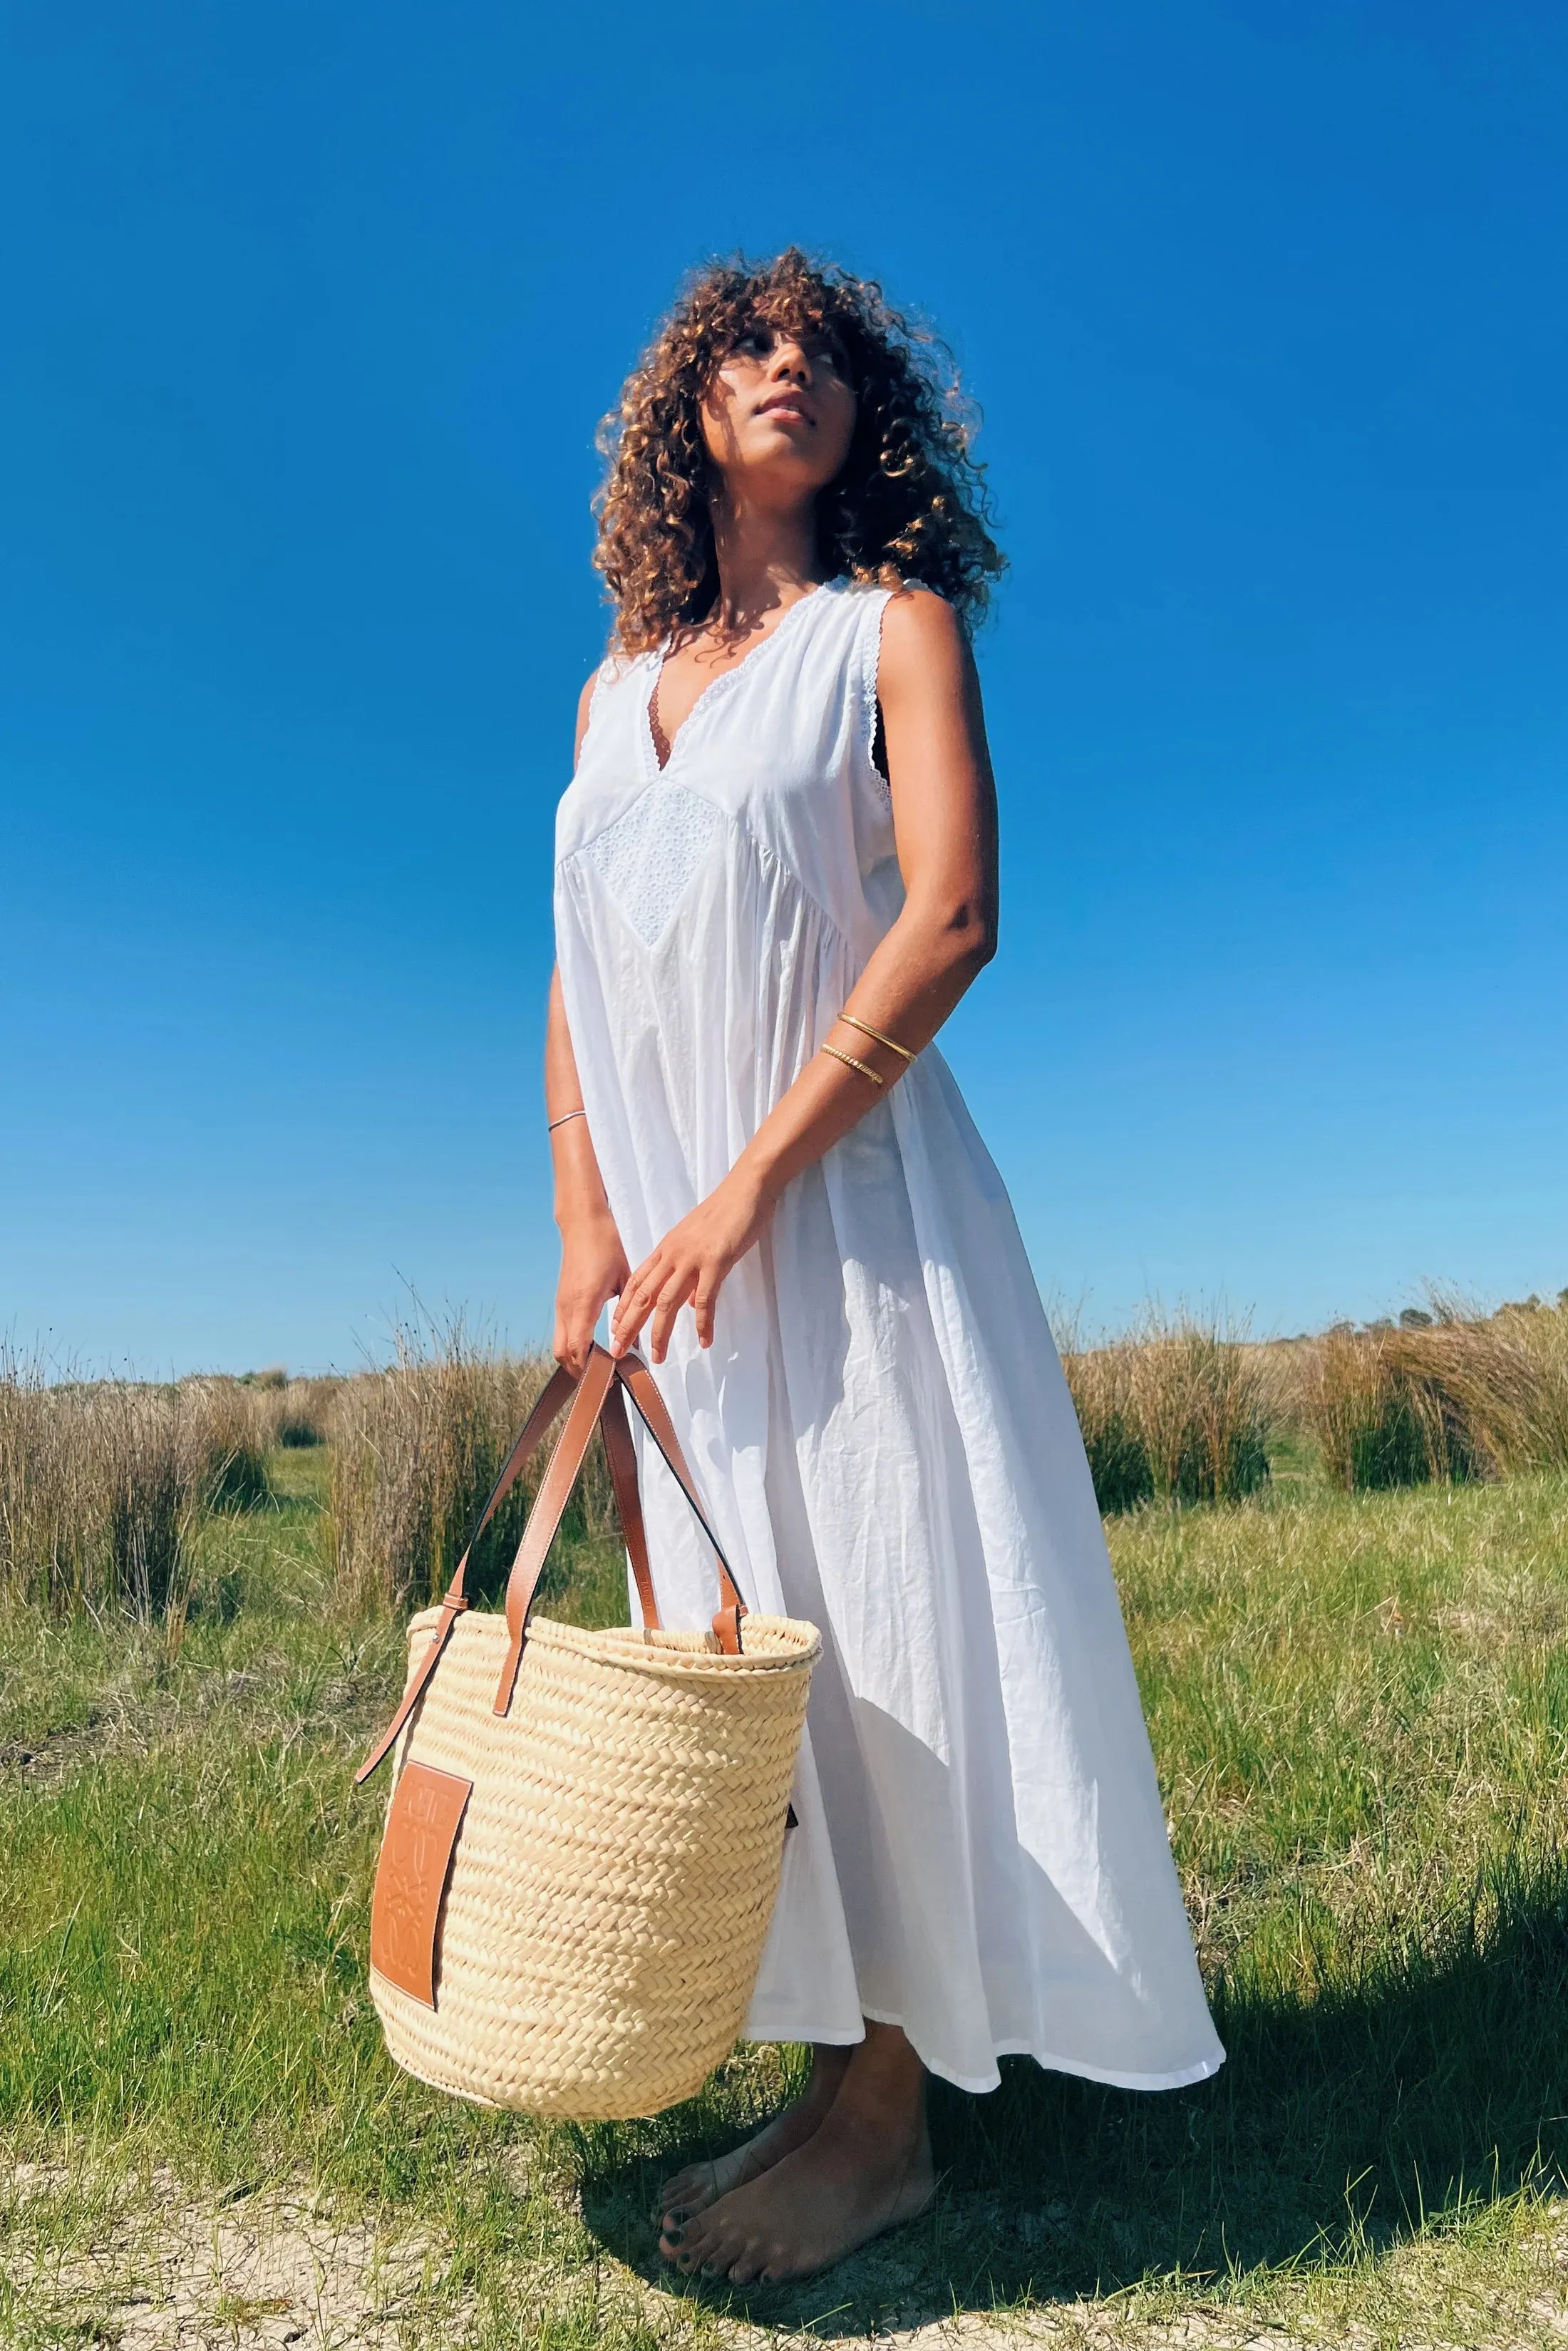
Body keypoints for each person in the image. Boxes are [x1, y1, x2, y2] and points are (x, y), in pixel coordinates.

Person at [544, 249, 1223, 2288]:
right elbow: (575, 980)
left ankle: (890, 2122)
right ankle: (838, 2052)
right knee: (759, 1672)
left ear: (869, 424)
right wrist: (590, 1228)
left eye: (828, 356)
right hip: (668, 1260)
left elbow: (951, 918)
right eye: (749, 346)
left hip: (849, 1218)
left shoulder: (887, 632)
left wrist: (750, 1179)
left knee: (895, 1638)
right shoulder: (608, 685)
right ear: (687, 404)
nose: (789, 371)